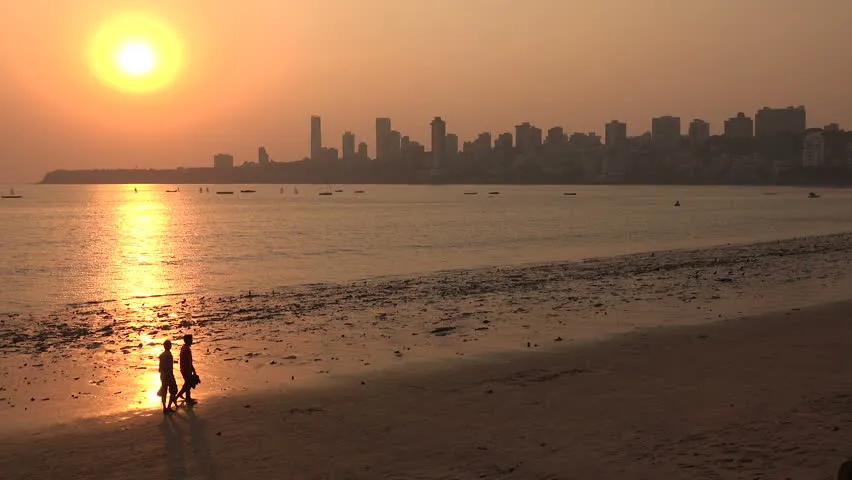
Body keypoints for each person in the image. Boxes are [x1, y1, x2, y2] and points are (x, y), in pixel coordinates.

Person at [177, 334, 200, 405]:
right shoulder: (186, 349)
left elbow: (189, 361)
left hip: (185, 369)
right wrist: (192, 370)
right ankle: (179, 396)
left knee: (187, 384)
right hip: (186, 369)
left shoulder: (184, 348)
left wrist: (192, 370)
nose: (192, 341)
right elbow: (188, 362)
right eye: (191, 339)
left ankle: (187, 398)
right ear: (187, 340)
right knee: (188, 384)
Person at [158, 340, 178, 413]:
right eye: (170, 345)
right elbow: (169, 367)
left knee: (164, 391)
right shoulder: (169, 355)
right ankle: (169, 406)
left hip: (162, 375)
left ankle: (164, 408)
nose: (170, 346)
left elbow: (160, 368)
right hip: (168, 375)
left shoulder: (161, 355)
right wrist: (170, 375)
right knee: (173, 390)